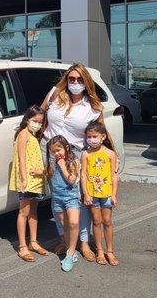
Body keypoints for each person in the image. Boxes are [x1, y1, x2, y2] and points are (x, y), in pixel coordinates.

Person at [40, 63, 107, 261]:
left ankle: (84, 243)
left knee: (79, 201)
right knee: (57, 198)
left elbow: (101, 134)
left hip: (76, 157)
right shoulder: (55, 94)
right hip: (52, 154)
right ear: (66, 80)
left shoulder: (93, 107)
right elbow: (38, 114)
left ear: (86, 83)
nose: (75, 83)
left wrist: (108, 158)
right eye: (71, 79)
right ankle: (64, 238)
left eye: (79, 80)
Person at [9, 105, 48, 262]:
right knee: (23, 212)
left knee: (33, 211)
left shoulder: (33, 136)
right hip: (28, 180)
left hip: (36, 180)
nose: (37, 124)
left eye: (40, 122)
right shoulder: (23, 134)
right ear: (27, 119)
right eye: (34, 121)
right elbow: (22, 158)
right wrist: (24, 179)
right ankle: (22, 246)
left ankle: (33, 241)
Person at [81, 121, 120, 266]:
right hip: (92, 194)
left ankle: (110, 251)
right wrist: (85, 193)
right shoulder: (85, 154)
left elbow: (113, 175)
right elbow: (83, 175)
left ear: (103, 136)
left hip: (107, 193)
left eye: (94, 136)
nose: (91, 139)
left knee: (107, 221)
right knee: (96, 222)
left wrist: (114, 194)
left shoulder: (110, 154)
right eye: (89, 137)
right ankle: (99, 250)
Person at [46, 135, 81, 272]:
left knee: (73, 222)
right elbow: (48, 174)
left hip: (71, 197)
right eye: (53, 151)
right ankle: (70, 250)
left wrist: (62, 165)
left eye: (59, 150)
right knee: (64, 225)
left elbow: (71, 180)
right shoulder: (53, 163)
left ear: (66, 148)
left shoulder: (73, 162)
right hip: (57, 198)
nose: (56, 154)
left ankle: (70, 253)